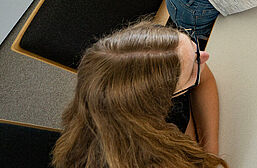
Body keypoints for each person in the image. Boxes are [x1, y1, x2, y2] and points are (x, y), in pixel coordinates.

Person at [52, 22, 224, 168]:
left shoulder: (166, 54)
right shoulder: (136, 157)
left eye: (194, 47)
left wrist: (210, 151)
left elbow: (203, 76)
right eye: (191, 70)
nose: (205, 56)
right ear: (158, 99)